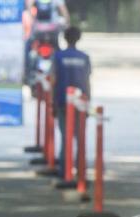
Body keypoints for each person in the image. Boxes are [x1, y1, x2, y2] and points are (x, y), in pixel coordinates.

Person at [51, 25, 89, 176]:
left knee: (65, 137)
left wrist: (53, 103)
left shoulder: (58, 56)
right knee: (80, 139)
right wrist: (87, 103)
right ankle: (81, 172)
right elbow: (87, 81)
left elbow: (53, 80)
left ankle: (64, 172)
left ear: (65, 38)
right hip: (80, 103)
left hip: (62, 102)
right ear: (78, 38)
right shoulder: (84, 57)